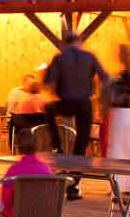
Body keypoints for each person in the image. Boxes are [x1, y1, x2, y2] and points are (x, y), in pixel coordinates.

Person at [34, 33, 109, 198]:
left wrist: (48, 73)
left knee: (49, 109)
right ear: (80, 42)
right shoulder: (90, 57)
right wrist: (101, 99)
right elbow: (105, 77)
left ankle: (57, 144)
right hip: (84, 104)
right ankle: (73, 186)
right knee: (80, 147)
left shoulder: (59, 58)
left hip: (66, 103)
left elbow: (47, 82)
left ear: (65, 44)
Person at [102, 44, 130, 161]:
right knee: (128, 148)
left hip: (120, 113)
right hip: (128, 114)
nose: (117, 55)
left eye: (119, 53)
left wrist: (113, 86)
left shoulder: (125, 75)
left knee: (115, 147)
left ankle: (115, 176)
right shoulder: (129, 73)